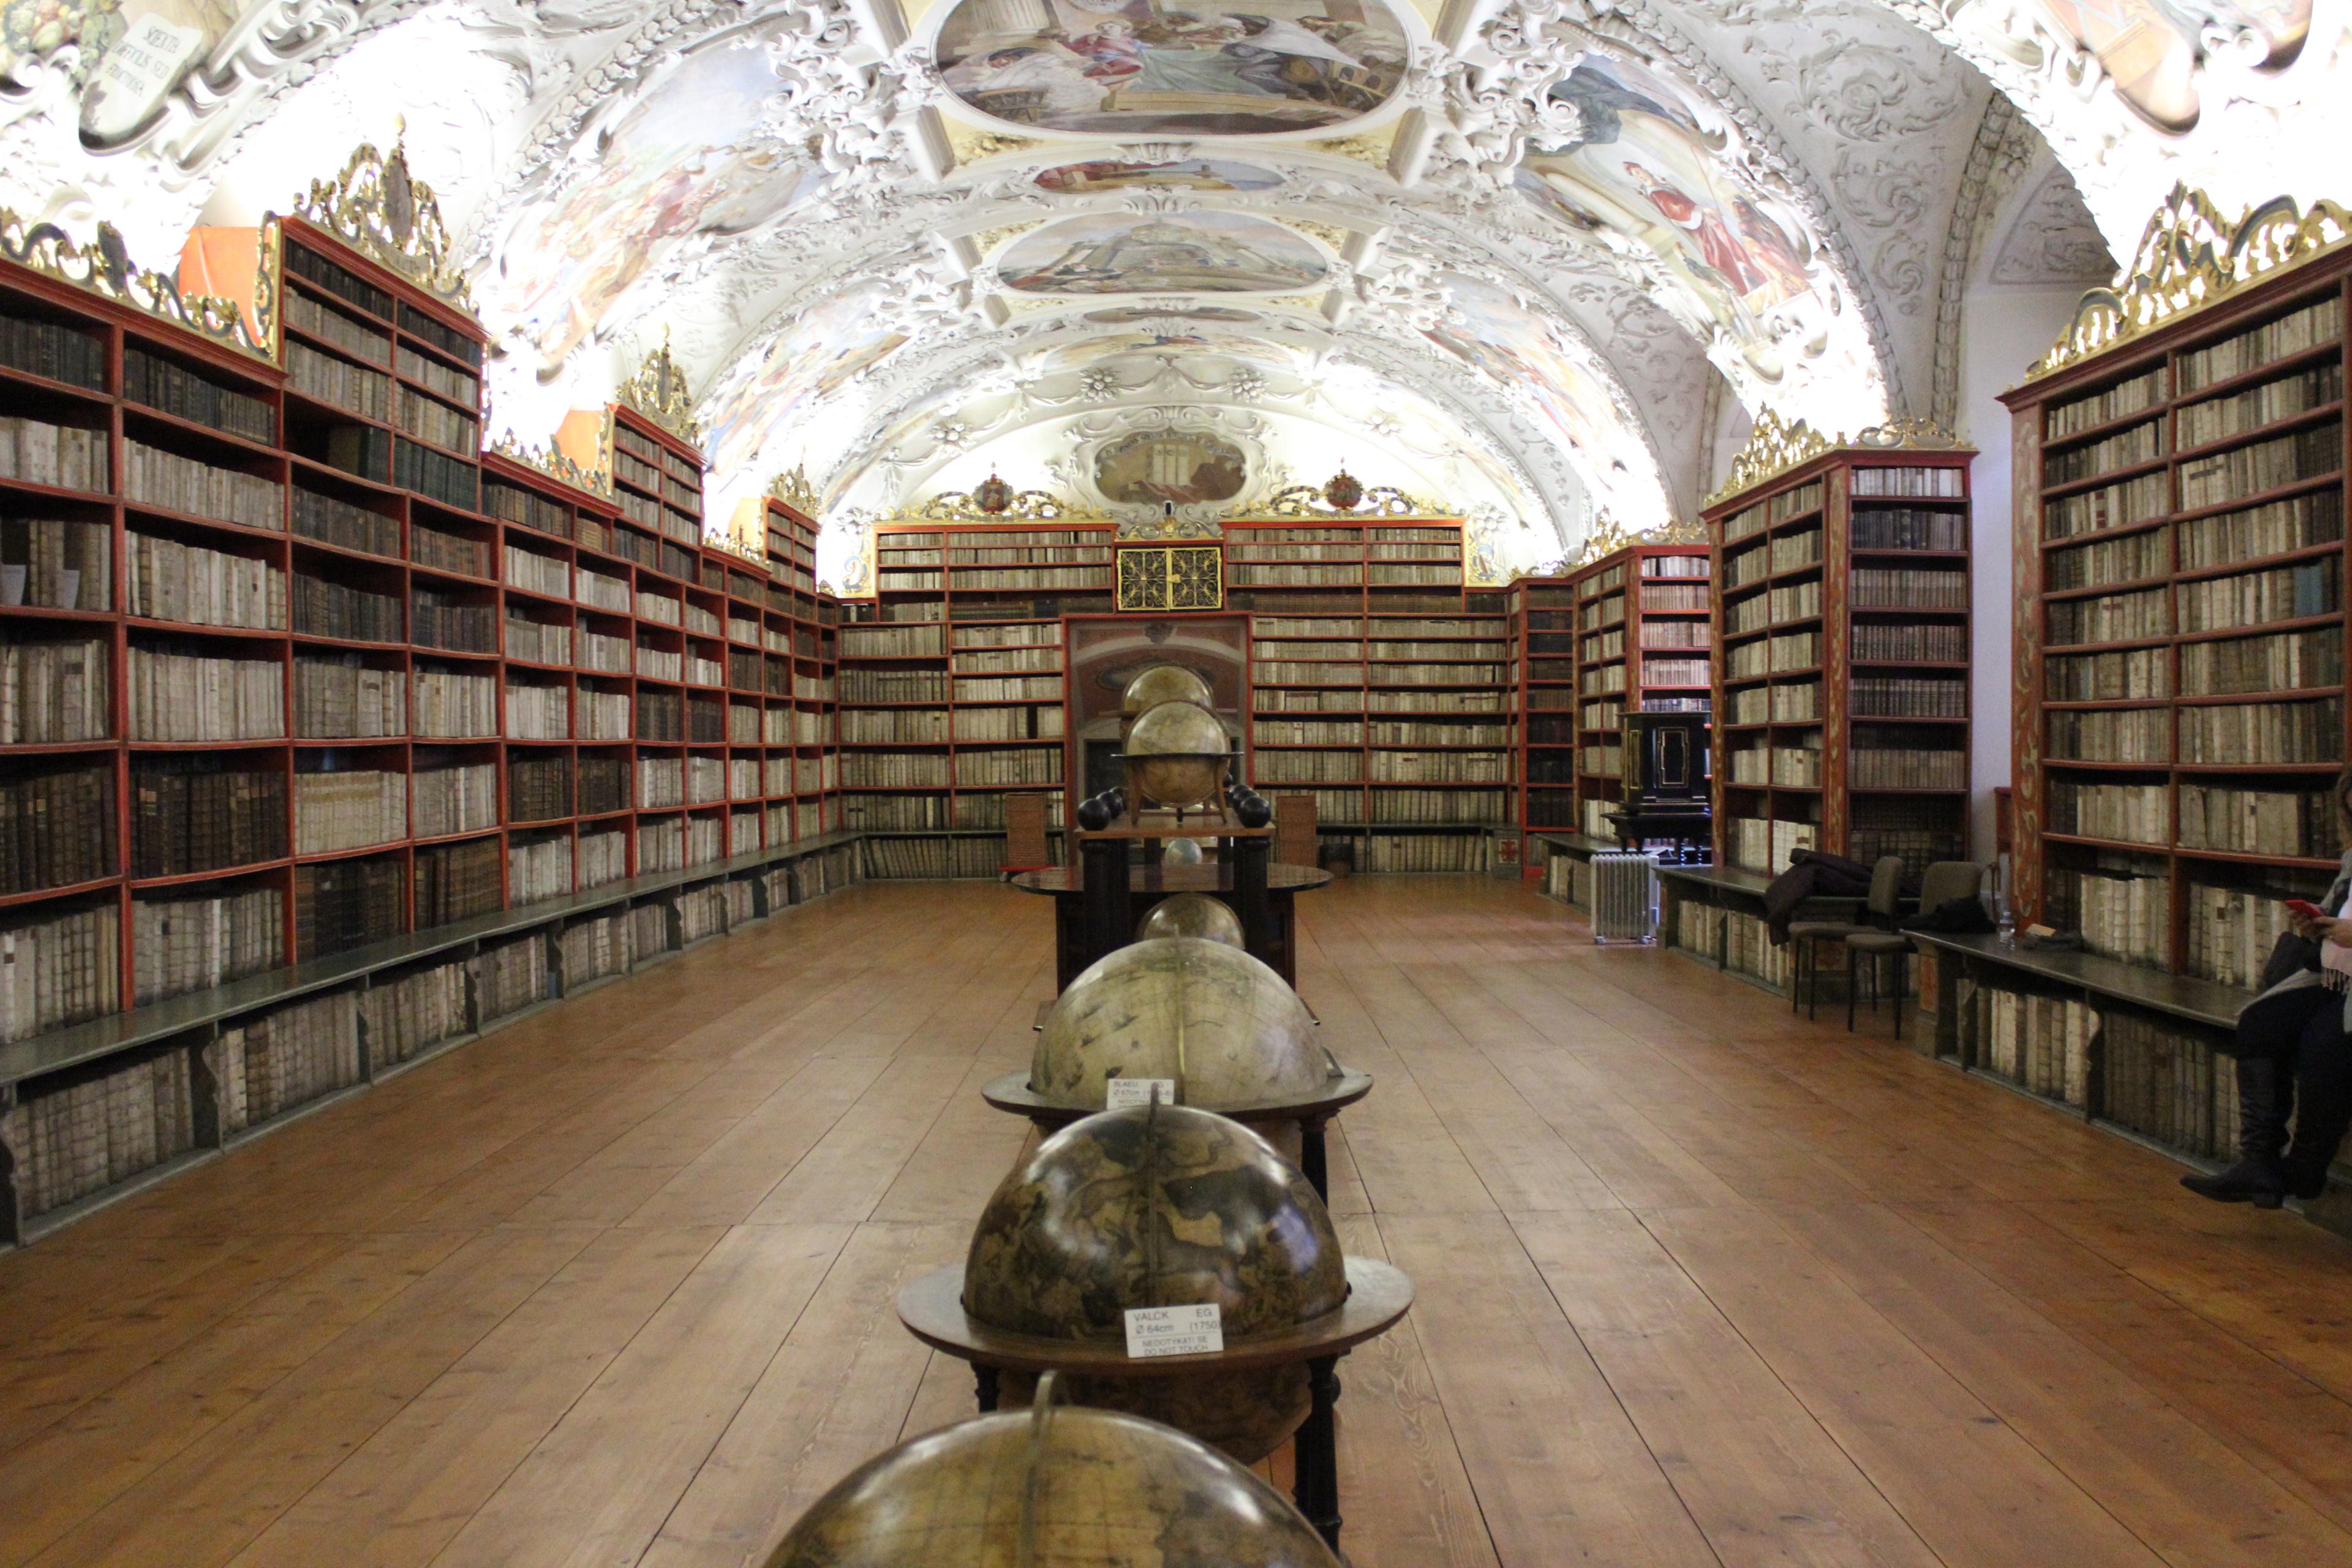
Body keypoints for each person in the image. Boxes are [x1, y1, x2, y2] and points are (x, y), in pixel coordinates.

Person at [2184, 766, 2352, 1206]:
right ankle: (2258, 1161)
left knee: (2322, 1047)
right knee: (2261, 1022)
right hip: (2335, 973)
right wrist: (2316, 918)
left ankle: (2306, 1167)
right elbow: (2339, 908)